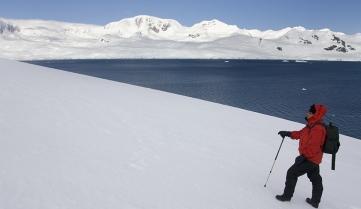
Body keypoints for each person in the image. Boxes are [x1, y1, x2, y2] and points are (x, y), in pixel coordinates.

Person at [276, 104, 327, 208]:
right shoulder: (311, 125)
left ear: (314, 114)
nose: (306, 113)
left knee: (292, 173)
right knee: (315, 179)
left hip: (310, 159)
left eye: (309, 112)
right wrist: (288, 133)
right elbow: (300, 134)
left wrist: (304, 157)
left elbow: (314, 147)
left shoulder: (317, 128)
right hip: (313, 159)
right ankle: (315, 201)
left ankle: (287, 196)